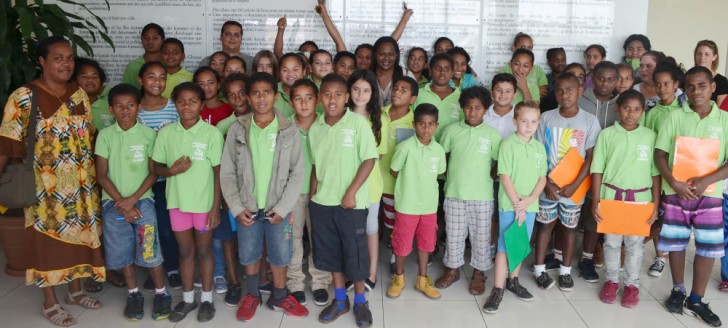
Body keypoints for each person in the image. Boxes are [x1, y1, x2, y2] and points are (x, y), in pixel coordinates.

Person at [0, 36, 105, 327]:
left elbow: (90, 138)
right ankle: (50, 302)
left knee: (81, 240)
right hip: (45, 190)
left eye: (70, 58)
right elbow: (6, 145)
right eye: (58, 58)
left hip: (83, 188)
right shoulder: (23, 96)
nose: (66, 63)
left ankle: (75, 290)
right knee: (45, 244)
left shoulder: (79, 94)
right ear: (42, 61)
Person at [220, 72, 308, 321]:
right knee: (248, 253)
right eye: (256, 93)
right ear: (248, 97)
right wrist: (236, 207)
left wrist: (283, 208)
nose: (261, 98)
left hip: (278, 207)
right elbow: (227, 173)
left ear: (275, 96)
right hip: (247, 207)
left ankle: (280, 296)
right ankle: (252, 295)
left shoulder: (289, 130)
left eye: (267, 93)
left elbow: (297, 173)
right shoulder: (237, 129)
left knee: (281, 253)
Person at [655, 66, 728, 327]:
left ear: (713, 88)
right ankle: (677, 290)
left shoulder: (725, 120)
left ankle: (696, 300)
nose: (696, 91)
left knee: (707, 248)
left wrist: (708, 179)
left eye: (702, 86)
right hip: (677, 192)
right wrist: (673, 182)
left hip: (710, 194)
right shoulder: (674, 117)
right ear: (684, 89)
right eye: (690, 86)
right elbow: (660, 154)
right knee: (676, 242)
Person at [95, 83, 172, 321]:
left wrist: (133, 200)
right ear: (111, 109)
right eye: (119, 106)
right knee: (122, 251)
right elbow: (101, 175)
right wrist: (122, 202)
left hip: (143, 202)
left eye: (130, 105)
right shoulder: (105, 136)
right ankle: (134, 294)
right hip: (113, 205)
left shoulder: (149, 134)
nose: (125, 110)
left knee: (150, 249)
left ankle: (161, 293)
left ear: (138, 107)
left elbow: (153, 172)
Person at [308, 73, 377, 327]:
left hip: (351, 204)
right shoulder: (316, 128)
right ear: (319, 98)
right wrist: (313, 197)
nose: (332, 100)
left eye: (338, 94)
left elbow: (369, 159)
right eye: (326, 95)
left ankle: (360, 301)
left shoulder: (358, 124)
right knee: (331, 254)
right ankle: (339, 301)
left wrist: (351, 192)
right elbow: (316, 166)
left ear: (347, 98)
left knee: (355, 254)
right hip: (322, 204)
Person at [152, 82, 223, 322]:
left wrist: (215, 207)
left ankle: (207, 299)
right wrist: (171, 171)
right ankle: (188, 298)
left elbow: (218, 173)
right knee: (185, 251)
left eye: (193, 101)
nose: (187, 106)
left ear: (202, 105)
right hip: (178, 203)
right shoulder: (166, 133)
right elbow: (155, 167)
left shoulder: (211, 133)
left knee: (204, 250)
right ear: (175, 104)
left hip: (204, 206)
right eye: (181, 101)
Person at [591, 89, 660, 308]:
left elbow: (655, 173)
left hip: (640, 199)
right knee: (611, 243)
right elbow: (597, 170)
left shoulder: (649, 137)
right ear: (618, 109)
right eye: (626, 108)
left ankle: (632, 285)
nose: (631, 113)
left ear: (642, 112)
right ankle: (611, 281)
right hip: (611, 196)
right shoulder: (607, 135)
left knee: (635, 245)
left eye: (637, 109)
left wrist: (655, 204)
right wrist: (596, 200)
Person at [533, 73, 601, 291]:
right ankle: (540, 269)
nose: (564, 95)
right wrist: (547, 183)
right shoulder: (546, 118)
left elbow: (590, 157)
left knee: (570, 229)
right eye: (560, 91)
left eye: (569, 90)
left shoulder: (589, 120)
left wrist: (573, 185)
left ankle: (565, 270)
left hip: (574, 188)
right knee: (545, 226)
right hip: (548, 185)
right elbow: (538, 152)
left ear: (580, 90)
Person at [482, 101, 547, 314]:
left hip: (529, 205)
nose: (529, 126)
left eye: (533, 122)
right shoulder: (508, 144)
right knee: (503, 246)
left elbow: (542, 178)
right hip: (510, 205)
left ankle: (513, 281)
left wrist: (529, 201)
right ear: (515, 121)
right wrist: (518, 203)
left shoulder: (539, 147)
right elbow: (505, 175)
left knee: (519, 245)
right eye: (524, 121)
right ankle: (498, 289)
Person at [436, 86, 501, 296]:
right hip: (455, 192)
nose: (473, 113)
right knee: (454, 235)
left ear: (485, 110)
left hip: (482, 196)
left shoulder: (492, 135)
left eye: (478, 108)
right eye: (469, 108)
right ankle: (452, 270)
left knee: (481, 237)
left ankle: (479, 274)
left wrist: (489, 177)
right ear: (463, 108)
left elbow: (501, 161)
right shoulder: (451, 131)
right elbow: (442, 156)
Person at [386, 103, 446, 300]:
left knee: (426, 244)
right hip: (407, 206)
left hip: (428, 207)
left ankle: (422, 279)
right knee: (402, 244)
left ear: (437, 125)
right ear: (414, 124)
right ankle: (399, 278)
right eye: (421, 124)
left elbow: (439, 173)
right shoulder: (405, 148)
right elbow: (393, 170)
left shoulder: (438, 150)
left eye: (430, 124)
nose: (426, 129)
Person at [136, 61, 183, 290]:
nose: (157, 82)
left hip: (167, 180)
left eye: (161, 77)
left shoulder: (174, 107)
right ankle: (152, 267)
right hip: (140, 181)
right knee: (147, 228)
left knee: (166, 227)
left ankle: (172, 267)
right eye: (151, 77)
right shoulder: (134, 108)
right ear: (140, 80)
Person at [286, 78, 332, 306]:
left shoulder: (326, 126)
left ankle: (321, 281)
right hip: (292, 194)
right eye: (298, 98)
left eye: (309, 98)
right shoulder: (285, 127)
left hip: (321, 193)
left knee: (319, 237)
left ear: (318, 100)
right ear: (290, 101)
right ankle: (294, 282)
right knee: (293, 239)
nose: (304, 104)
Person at [348, 69, 388, 291]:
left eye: (366, 90)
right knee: (350, 229)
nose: (360, 95)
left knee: (371, 227)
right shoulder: (343, 115)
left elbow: (377, 155)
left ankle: (371, 271)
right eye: (356, 89)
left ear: (373, 93)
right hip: (345, 183)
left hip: (370, 183)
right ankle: (352, 270)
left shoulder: (380, 119)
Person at [213, 73, 249, 307]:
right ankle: (234, 282)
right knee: (228, 238)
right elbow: (221, 166)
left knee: (253, 239)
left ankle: (256, 279)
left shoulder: (264, 120)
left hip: (255, 193)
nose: (237, 99)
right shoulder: (223, 127)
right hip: (231, 192)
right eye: (231, 95)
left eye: (242, 93)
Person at [380, 76, 419, 249]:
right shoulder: (379, 113)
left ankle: (394, 247)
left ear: (413, 99)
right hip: (373, 177)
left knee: (392, 217)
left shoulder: (414, 123)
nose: (397, 92)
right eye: (395, 88)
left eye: (403, 91)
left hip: (394, 181)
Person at [414, 53, 462, 141]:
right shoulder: (418, 94)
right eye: (437, 68)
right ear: (430, 71)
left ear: (452, 73)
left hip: (451, 149)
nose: (442, 72)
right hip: (422, 148)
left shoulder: (461, 97)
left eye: (447, 69)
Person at [500, 32, 548, 97]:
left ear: (531, 68)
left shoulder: (538, 70)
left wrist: (532, 93)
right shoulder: (505, 70)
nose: (526, 50)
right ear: (514, 47)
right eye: (523, 47)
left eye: (529, 48)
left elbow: (543, 90)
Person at [74, 57, 115, 131]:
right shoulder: (70, 107)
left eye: (95, 77)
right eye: (84, 76)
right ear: (74, 80)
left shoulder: (111, 106)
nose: (90, 80)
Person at [123, 23, 165, 88]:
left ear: (163, 40)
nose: (150, 41)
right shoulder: (132, 66)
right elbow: (125, 92)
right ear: (141, 40)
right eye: (146, 38)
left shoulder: (168, 64)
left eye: (155, 38)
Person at [694, 40, 728, 106]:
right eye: (699, 53)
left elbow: (721, 110)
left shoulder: (722, 81)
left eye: (707, 54)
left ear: (714, 57)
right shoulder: (688, 78)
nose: (702, 57)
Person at [485, 73, 518, 139]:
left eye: (508, 91)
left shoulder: (521, 114)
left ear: (514, 95)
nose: (503, 94)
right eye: (499, 90)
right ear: (491, 92)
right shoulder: (483, 114)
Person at [276, 53, 307, 118]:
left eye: (295, 69)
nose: (290, 73)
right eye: (285, 70)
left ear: (304, 71)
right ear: (279, 72)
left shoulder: (312, 91)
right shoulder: (272, 91)